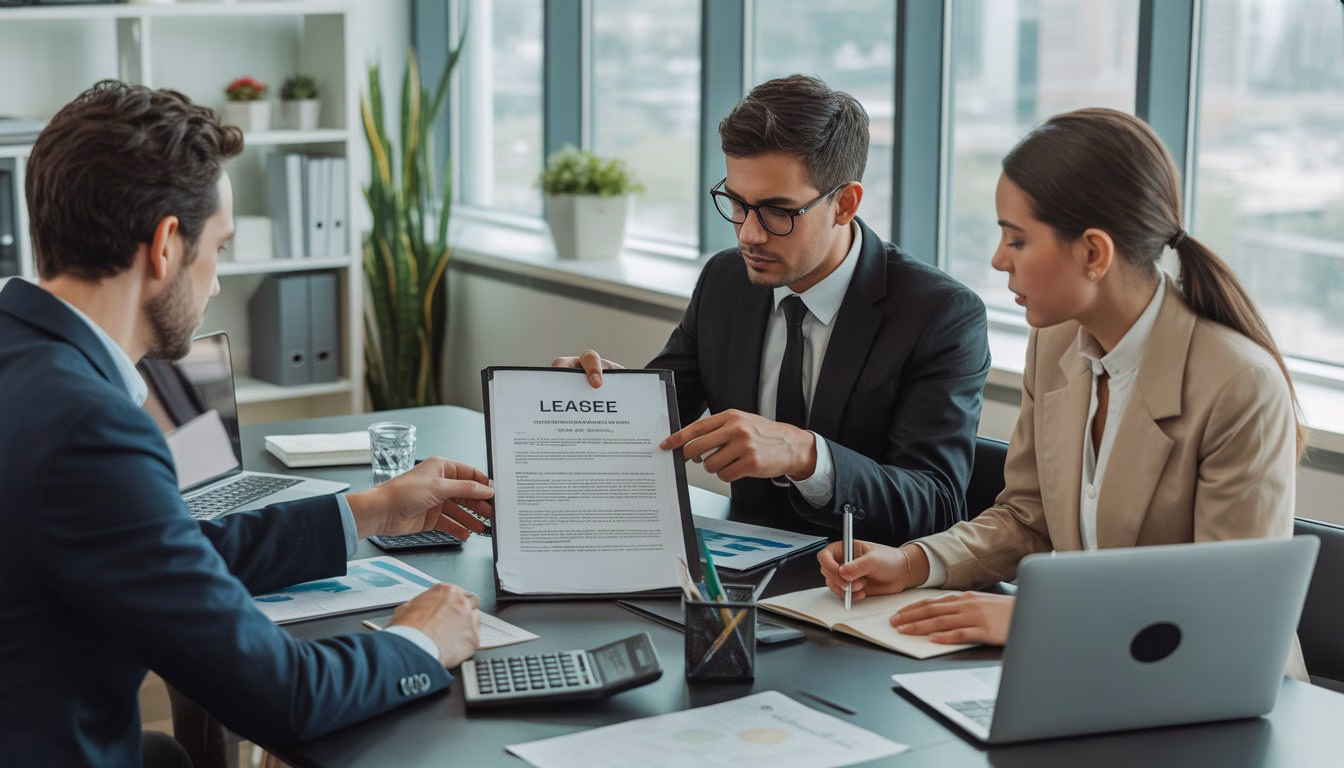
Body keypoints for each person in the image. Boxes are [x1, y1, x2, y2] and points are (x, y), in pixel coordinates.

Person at [0, 81, 497, 765]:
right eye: (221, 250)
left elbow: (158, 554)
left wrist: (368, 512)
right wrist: (418, 640)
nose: (218, 283)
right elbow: (283, 697)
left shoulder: (21, 358)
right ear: (167, 245)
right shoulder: (92, 431)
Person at [817, 107, 1307, 679]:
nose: (998, 259)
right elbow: (1029, 517)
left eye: (1017, 240)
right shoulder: (1055, 343)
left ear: (1094, 253)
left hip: (1215, 687)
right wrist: (914, 561)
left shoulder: (1238, 385)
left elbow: (1226, 606)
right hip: (1092, 674)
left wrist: (1035, 617)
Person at [555, 75, 990, 543]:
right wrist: (598, 404)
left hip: (866, 585)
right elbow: (661, 419)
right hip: (743, 569)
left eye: (777, 211)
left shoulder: (941, 314)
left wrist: (808, 456)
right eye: (737, 204)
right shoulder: (726, 280)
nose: (748, 235)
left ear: (844, 203)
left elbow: (937, 506)